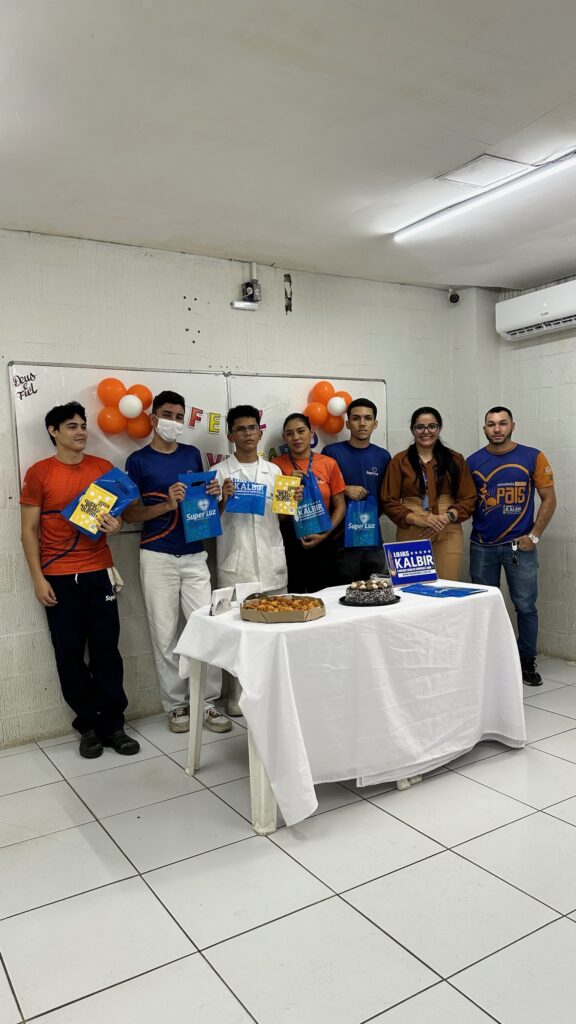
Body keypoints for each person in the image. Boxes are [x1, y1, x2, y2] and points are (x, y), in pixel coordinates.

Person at [20, 402, 140, 759]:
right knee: (69, 653)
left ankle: (113, 725)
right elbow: (28, 531)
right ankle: (87, 726)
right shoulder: (39, 473)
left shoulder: (102, 469)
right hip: (57, 577)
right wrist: (37, 579)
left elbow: (120, 516)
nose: (81, 432)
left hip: (98, 572)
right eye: (72, 426)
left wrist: (116, 525)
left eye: (83, 425)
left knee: (106, 651)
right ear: (54, 431)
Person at [124, 390, 231, 734]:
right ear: (153, 418)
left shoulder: (192, 454)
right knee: (165, 634)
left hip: (195, 554)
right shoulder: (137, 461)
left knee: (207, 628)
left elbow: (203, 511)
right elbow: (129, 514)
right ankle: (176, 705)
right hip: (157, 556)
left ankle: (208, 702)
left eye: (179, 416)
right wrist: (167, 505)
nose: (174, 422)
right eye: (167, 415)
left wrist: (216, 498)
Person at [467, 406, 557, 686]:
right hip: (482, 546)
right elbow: (465, 502)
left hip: (520, 546)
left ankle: (526, 661)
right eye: (491, 424)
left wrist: (534, 536)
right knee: (484, 607)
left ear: (512, 426)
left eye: (502, 423)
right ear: (484, 428)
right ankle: (490, 663)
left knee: (525, 606)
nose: (497, 429)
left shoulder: (532, 456)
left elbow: (549, 499)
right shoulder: (472, 462)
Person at [215, 405, 294, 715]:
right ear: (230, 435)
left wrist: (293, 501)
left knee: (274, 631)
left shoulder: (274, 471)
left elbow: (282, 516)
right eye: (241, 429)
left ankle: (272, 693)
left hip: (271, 559)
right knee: (240, 634)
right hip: (237, 563)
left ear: (260, 433)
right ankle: (235, 698)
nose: (247, 434)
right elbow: (208, 520)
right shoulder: (220, 472)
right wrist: (223, 498)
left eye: (252, 428)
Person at [381, 406, 476, 580]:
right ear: (412, 430)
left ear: (439, 428)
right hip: (412, 527)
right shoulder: (399, 461)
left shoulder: (455, 459)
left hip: (447, 527)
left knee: (446, 585)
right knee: (411, 587)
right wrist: (417, 519)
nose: (426, 432)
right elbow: (388, 500)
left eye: (432, 426)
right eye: (420, 427)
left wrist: (447, 516)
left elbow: (469, 497)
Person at [273, 413, 346, 592]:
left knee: (325, 595)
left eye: (301, 431)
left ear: (311, 432)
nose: (296, 437)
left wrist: (326, 534)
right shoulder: (275, 466)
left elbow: (340, 506)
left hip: (324, 536)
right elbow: (279, 516)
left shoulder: (328, 463)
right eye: (290, 433)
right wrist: (288, 486)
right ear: (284, 438)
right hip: (290, 539)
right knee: (294, 596)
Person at [323, 398, 391, 582]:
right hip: (341, 541)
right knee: (342, 593)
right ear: (347, 423)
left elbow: (386, 497)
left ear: (375, 424)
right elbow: (321, 490)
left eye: (368, 418)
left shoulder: (383, 456)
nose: (362, 423)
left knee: (376, 592)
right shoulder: (331, 453)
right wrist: (344, 489)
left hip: (373, 541)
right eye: (356, 418)